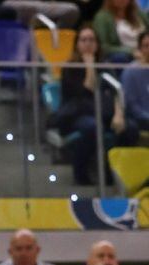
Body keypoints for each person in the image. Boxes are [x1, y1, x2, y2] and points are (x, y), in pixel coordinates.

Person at [57, 25, 134, 187]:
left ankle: (115, 173)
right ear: (77, 44)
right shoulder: (70, 67)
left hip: (103, 112)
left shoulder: (106, 66)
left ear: (98, 44)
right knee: (92, 127)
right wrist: (89, 65)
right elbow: (88, 89)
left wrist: (119, 115)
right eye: (83, 40)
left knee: (130, 128)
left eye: (91, 40)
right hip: (77, 114)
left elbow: (116, 92)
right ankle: (81, 173)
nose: (88, 43)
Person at [121, 30, 149, 130]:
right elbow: (131, 105)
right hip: (141, 120)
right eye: (146, 46)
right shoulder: (130, 71)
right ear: (140, 48)